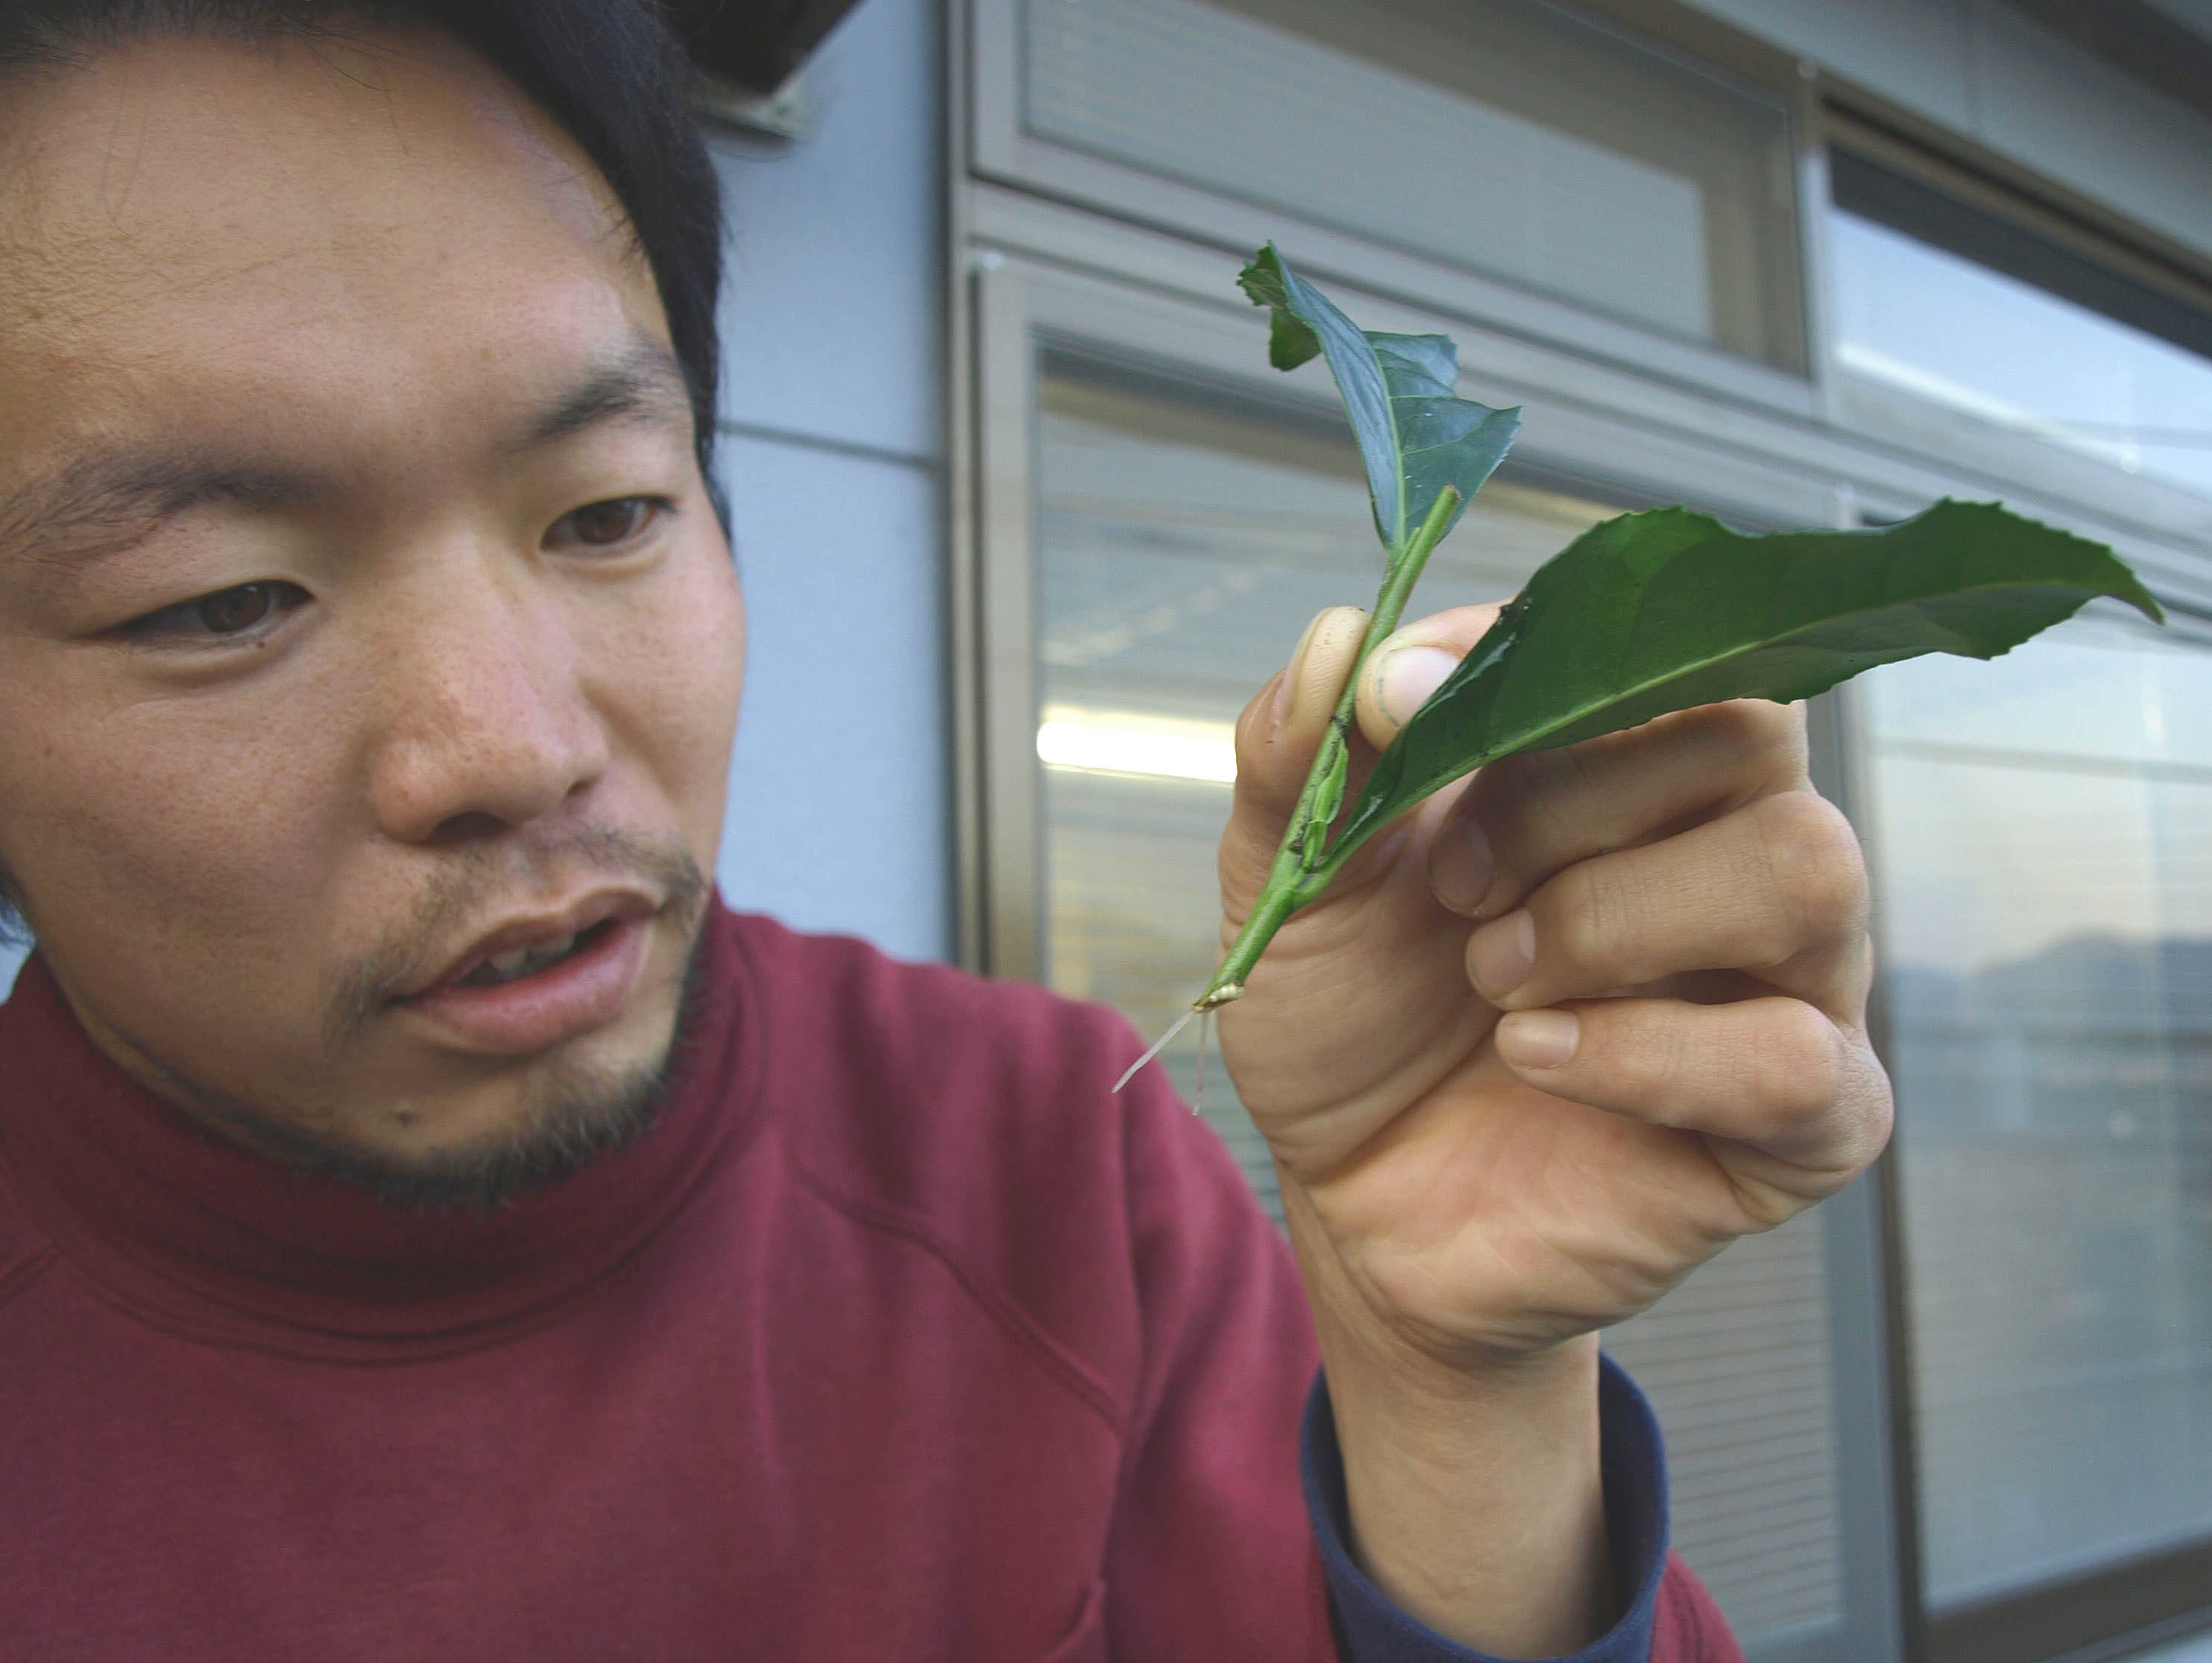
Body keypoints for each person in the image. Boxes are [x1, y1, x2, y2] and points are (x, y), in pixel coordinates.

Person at [0, 4, 1891, 1659]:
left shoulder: (1057, 1163)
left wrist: (1457, 1391)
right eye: (220, 601)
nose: (512, 746)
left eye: (604, 514)